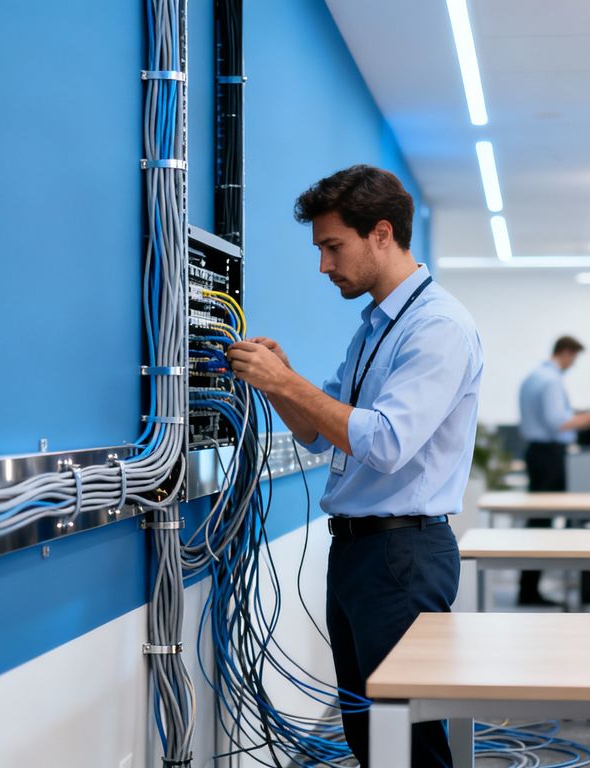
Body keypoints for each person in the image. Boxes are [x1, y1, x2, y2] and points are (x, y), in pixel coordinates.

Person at [227, 164, 482, 768]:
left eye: (332, 247)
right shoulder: (373, 327)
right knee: (371, 739)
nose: (324, 266)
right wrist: (279, 385)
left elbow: (388, 442)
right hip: (360, 554)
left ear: (382, 234)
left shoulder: (437, 327)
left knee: (407, 745)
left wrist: (289, 382)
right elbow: (318, 433)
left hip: (403, 556)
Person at [515, 336, 590, 605]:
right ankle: (530, 591)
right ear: (566, 352)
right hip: (550, 454)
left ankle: (528, 588)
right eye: (573, 359)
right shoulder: (551, 380)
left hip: (537, 453)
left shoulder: (533, 377)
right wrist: (589, 418)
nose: (572, 364)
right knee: (544, 520)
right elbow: (557, 422)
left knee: (539, 519)